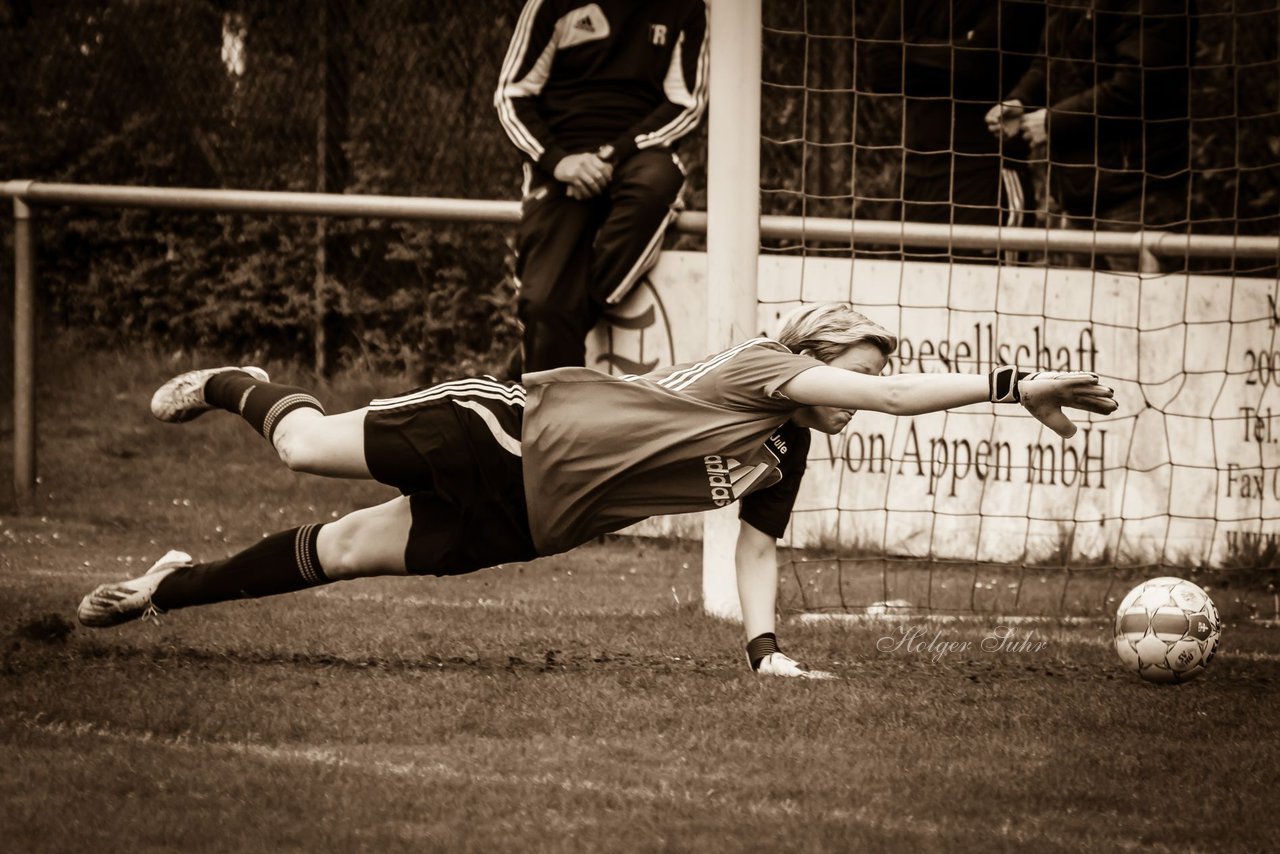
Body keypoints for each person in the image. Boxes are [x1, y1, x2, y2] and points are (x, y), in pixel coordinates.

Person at [77, 303, 1117, 678]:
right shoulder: (766, 368)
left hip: (533, 521)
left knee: (339, 556)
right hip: (503, 430)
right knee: (299, 447)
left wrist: (764, 654)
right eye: (855, 355)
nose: (860, 374)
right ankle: (233, 382)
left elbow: (756, 551)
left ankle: (163, 588)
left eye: (868, 359)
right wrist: (1009, 383)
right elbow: (885, 395)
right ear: (815, 348)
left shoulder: (785, 450)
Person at [493, 0, 708, 374]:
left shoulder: (685, 7)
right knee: (543, 303)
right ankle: (545, 415)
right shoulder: (550, 4)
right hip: (561, 163)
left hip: (639, 152)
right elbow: (512, 96)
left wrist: (613, 154)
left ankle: (551, 338)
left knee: (656, 184)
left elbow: (685, 103)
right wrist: (559, 162)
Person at [984, 0, 1195, 272]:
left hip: (1137, 194)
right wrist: (1021, 99)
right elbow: (1049, 61)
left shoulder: (1157, 7)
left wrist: (1053, 122)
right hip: (1077, 194)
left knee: (1141, 309)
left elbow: (1137, 86)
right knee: (1079, 308)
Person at [865, 0, 1043, 262]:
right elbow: (878, 67)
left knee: (989, 297)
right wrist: (958, 50)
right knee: (908, 295)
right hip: (917, 182)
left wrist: (909, 44)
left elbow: (981, 62)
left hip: (985, 180)